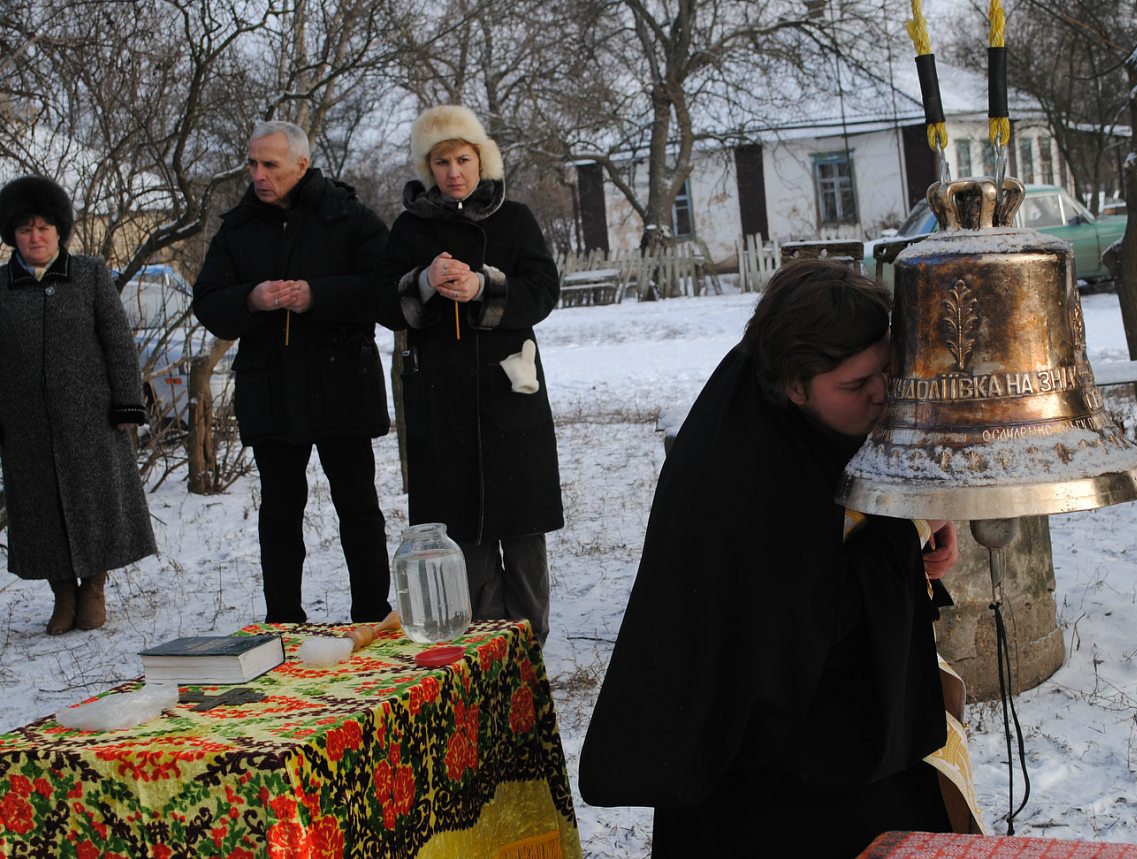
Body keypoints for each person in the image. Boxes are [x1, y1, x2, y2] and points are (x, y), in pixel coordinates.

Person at [578, 259, 975, 855]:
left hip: (820, 731)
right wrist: (904, 534)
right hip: (773, 770)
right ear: (793, 384)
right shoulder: (743, 477)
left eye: (886, 372)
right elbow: (806, 622)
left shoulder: (789, 402)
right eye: (855, 385)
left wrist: (917, 513)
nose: (880, 396)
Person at [374, 104, 562, 646]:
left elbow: (544, 291)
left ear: (481, 159)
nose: (454, 171)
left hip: (511, 392)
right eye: (441, 161)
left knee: (523, 535)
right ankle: (487, 651)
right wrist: (424, 281)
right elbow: (384, 302)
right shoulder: (411, 228)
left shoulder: (516, 219)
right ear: (427, 168)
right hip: (443, 399)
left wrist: (486, 289)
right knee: (463, 541)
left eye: (462, 158)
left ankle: (529, 646)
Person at [194, 120, 392, 624]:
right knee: (279, 512)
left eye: (270, 165)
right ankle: (283, 617)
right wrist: (251, 298)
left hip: (341, 381)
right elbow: (208, 301)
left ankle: (372, 612)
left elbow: (385, 290)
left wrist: (317, 295)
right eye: (252, 164)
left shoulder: (348, 217)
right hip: (272, 387)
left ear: (301, 165)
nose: (258, 175)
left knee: (358, 506)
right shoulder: (237, 228)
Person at [0, 175, 156, 634]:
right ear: (12, 234)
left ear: (59, 231)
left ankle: (93, 588)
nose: (36, 237)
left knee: (96, 505)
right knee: (41, 511)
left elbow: (118, 343)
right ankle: (62, 593)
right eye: (26, 228)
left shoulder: (89, 274)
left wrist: (128, 402)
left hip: (91, 421)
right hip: (25, 425)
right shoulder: (1, 286)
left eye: (45, 227)